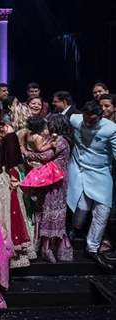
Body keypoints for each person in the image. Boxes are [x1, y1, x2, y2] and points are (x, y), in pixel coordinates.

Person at [0, 102, 33, 268]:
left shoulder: (7, 131)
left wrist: (14, 177)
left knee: (4, 210)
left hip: (3, 175)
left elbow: (14, 158)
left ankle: (9, 252)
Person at [68, 100, 116, 270]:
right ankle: (74, 230)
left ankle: (93, 248)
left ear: (101, 116)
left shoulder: (110, 128)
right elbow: (59, 121)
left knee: (102, 211)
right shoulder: (75, 119)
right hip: (79, 169)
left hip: (101, 172)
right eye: (86, 119)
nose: (88, 123)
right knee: (81, 208)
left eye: (92, 120)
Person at [22, 114, 73, 263]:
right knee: (48, 210)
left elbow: (44, 156)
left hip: (54, 181)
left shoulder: (60, 141)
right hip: (55, 179)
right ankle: (46, 246)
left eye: (49, 124)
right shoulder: (61, 140)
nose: (47, 127)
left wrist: (25, 153)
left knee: (49, 211)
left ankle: (46, 247)